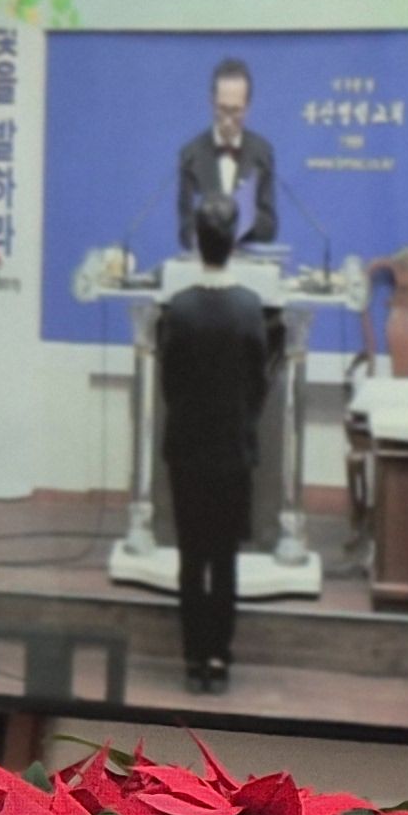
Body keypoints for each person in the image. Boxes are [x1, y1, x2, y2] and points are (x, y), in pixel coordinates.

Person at [154, 192, 278, 697]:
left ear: (198, 242)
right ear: (233, 244)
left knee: (191, 556)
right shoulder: (249, 308)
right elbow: (259, 384)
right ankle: (218, 659)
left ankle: (191, 660)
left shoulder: (179, 309)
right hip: (232, 451)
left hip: (187, 448)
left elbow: (169, 383)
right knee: (224, 558)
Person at [173, 56, 280, 252]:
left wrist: (239, 217)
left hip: (247, 262)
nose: (228, 120)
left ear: (247, 107)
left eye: (236, 111)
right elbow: (185, 230)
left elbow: (269, 228)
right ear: (211, 102)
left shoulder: (262, 153)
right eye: (222, 109)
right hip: (204, 262)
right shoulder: (191, 155)